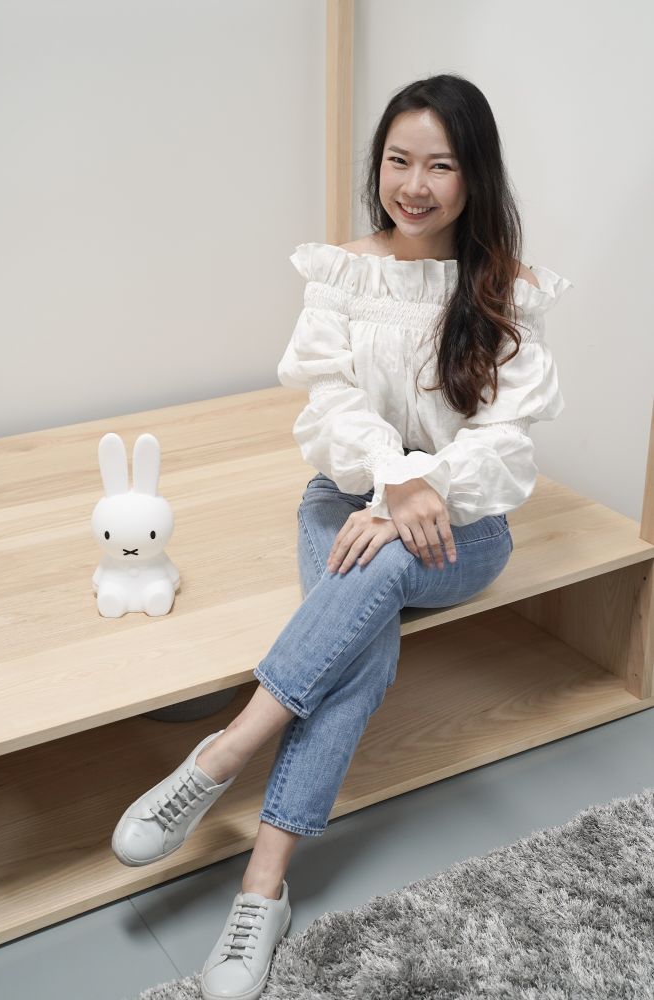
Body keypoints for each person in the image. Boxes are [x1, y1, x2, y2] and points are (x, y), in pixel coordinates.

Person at [111, 73, 573, 1000]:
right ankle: (263, 887)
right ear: (378, 166)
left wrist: (418, 489)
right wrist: (389, 480)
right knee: (360, 647)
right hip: (345, 498)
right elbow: (329, 407)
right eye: (398, 161)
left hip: (465, 523)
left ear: (474, 175)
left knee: (381, 568)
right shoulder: (342, 274)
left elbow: (504, 447)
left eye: (440, 165)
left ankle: (223, 754)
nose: (414, 185)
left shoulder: (507, 293)